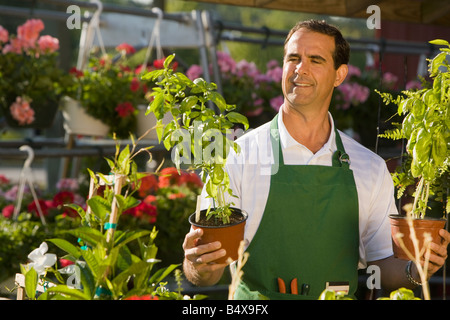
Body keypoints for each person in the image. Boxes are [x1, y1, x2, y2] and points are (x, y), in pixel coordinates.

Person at [182, 19, 450, 299]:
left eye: (316, 60)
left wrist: (415, 269)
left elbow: (381, 263)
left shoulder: (368, 167)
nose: (301, 69)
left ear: (339, 74)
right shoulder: (238, 157)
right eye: (293, 58)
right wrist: (197, 263)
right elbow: (205, 273)